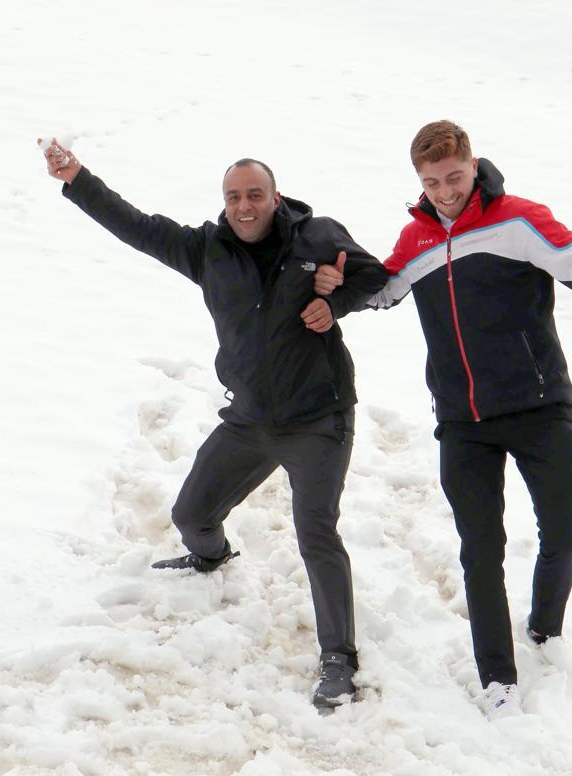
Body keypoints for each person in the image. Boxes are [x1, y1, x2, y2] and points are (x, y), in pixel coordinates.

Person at [314, 120, 572, 719]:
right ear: (418, 181)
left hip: (540, 409)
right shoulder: (416, 240)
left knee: (563, 529)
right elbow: (381, 291)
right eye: (431, 182)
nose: (444, 191)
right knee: (480, 550)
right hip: (463, 421)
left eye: (453, 177)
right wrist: (333, 294)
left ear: (473, 165)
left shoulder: (518, 220)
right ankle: (498, 677)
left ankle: (545, 631)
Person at [40, 138, 389, 708]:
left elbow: (378, 280)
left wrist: (337, 296)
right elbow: (136, 225)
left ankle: (338, 660)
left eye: (255, 194)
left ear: (276, 197)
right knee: (190, 514)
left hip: (318, 420)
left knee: (317, 534)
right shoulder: (206, 250)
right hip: (249, 418)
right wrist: (76, 178)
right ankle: (211, 555)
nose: (244, 206)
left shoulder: (319, 235)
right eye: (234, 197)